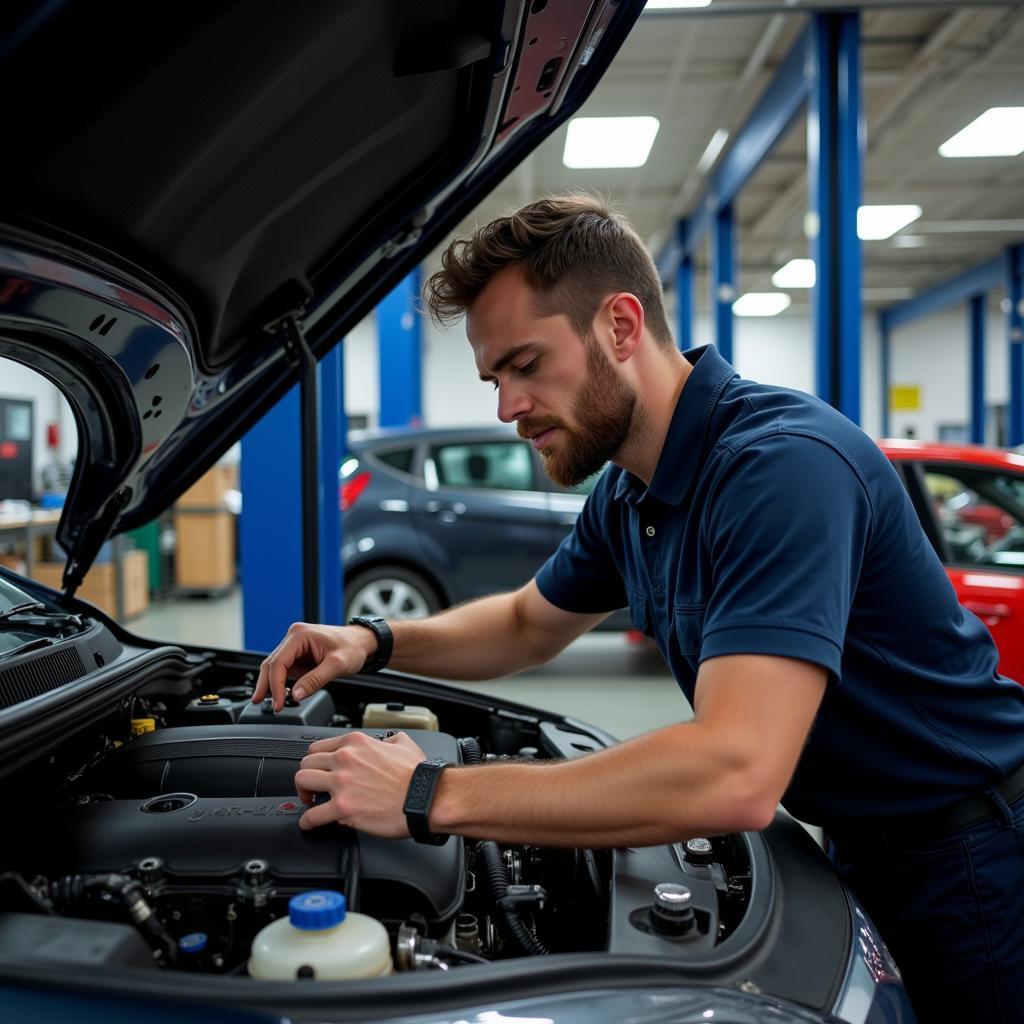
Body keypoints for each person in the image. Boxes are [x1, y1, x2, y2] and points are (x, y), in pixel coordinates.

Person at [252, 194, 1024, 1022]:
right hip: (860, 842)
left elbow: (736, 770)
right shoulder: (632, 491)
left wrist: (430, 793)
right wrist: (370, 640)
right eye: (494, 378)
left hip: (970, 860)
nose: (507, 408)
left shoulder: (779, 468)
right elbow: (524, 622)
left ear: (620, 326)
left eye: (524, 364)